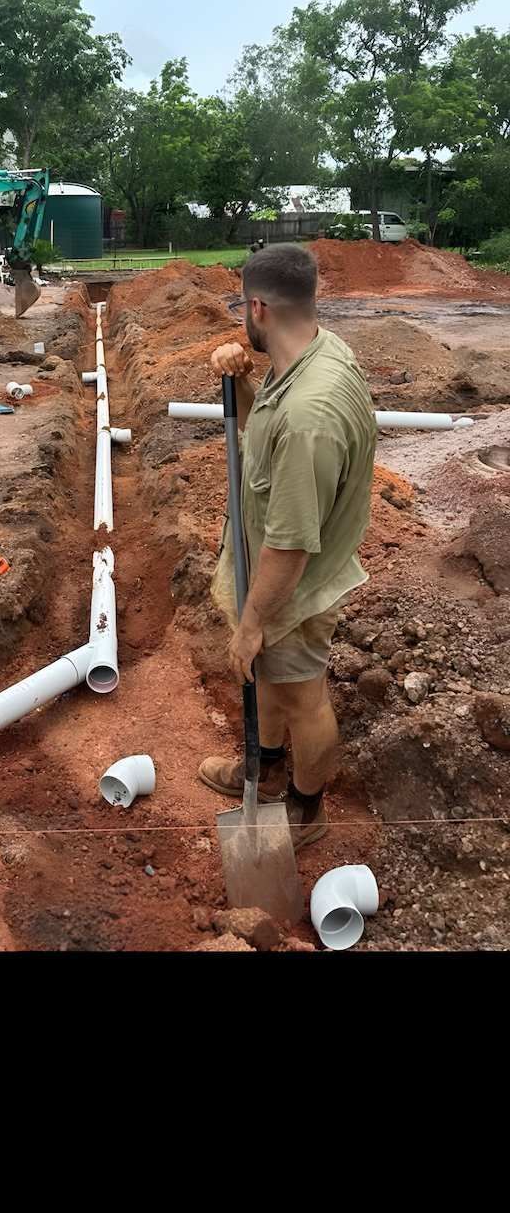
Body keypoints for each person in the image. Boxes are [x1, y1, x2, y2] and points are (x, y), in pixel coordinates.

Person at [198, 243, 376, 848]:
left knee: (303, 698)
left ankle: (305, 810)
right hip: (279, 578)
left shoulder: (309, 414)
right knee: (269, 681)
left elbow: (291, 547)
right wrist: (241, 379)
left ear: (258, 308)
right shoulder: (307, 356)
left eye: (240, 310)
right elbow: (261, 437)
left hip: (293, 590)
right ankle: (265, 766)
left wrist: (251, 622)